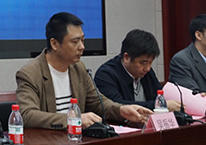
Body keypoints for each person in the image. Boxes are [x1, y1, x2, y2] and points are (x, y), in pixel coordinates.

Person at [15, 12, 151, 130]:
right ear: (54, 44)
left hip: (77, 141)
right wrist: (73, 120)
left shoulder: (78, 68)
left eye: (83, 40)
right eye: (75, 42)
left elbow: (97, 103)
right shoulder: (30, 73)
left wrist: (121, 110)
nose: (82, 47)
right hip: (47, 142)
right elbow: (27, 115)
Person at [94, 29, 180, 111]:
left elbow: (159, 96)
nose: (147, 68)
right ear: (126, 58)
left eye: (150, 63)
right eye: (143, 63)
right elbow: (118, 106)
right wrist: (158, 105)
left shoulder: (147, 72)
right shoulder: (105, 75)